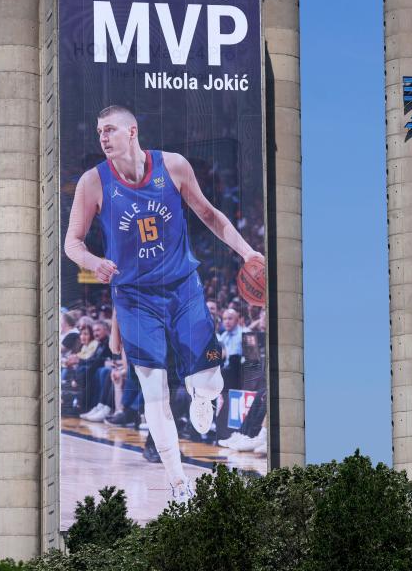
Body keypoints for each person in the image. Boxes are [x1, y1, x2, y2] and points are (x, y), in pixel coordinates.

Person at [64, 105, 264, 501]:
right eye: (98, 132)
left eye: (109, 130)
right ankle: (178, 483)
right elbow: (72, 242)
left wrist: (247, 252)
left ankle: (202, 396)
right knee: (153, 392)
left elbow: (209, 214)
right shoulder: (94, 182)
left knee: (210, 381)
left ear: (132, 132)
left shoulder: (172, 166)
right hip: (136, 299)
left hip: (182, 287)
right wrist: (92, 262)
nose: (102, 137)